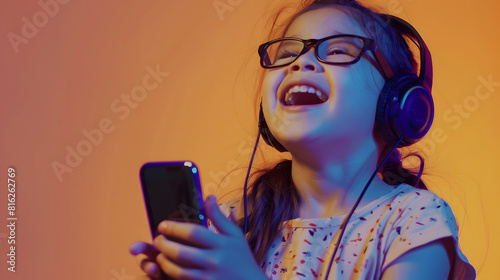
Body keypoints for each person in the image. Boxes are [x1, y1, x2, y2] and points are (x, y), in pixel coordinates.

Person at [129, 0, 476, 279]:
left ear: (399, 103)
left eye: (339, 50)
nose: (301, 63)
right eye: (286, 54)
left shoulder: (414, 221)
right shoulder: (233, 224)